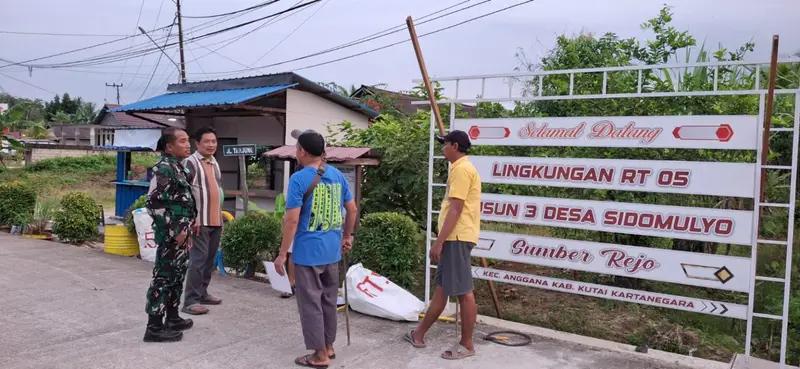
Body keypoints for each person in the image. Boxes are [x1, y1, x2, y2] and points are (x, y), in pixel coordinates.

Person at [274, 129, 358, 368]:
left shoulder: (299, 179)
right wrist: (347, 236)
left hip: (308, 252)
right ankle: (329, 346)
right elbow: (351, 210)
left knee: (310, 303)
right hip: (332, 250)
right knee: (328, 301)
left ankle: (319, 355)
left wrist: (282, 254)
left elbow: (291, 220)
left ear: (301, 151)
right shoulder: (337, 175)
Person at [404, 130, 481, 360]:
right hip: (455, 238)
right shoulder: (460, 168)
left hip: (456, 238)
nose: (442, 148)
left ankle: (467, 344)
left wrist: (438, 243)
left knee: (464, 292)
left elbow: (456, 209)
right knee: (443, 289)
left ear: (455, 146)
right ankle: (418, 334)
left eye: (445, 144)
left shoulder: (462, 170)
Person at [143, 127, 197, 343]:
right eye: (182, 141)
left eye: (188, 141)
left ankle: (172, 317)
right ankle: (154, 327)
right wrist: (176, 232)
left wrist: (188, 229)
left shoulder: (178, 168)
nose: (188, 145)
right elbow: (154, 204)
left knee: (177, 276)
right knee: (163, 279)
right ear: (169, 146)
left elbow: (181, 203)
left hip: (182, 235)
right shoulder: (163, 169)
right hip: (171, 237)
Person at [182, 127, 224, 315]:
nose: (211, 145)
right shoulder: (189, 163)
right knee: (198, 261)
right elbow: (184, 193)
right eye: (206, 141)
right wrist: (192, 217)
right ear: (197, 144)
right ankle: (190, 301)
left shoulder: (214, 162)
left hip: (215, 218)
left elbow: (216, 188)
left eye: (214, 141)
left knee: (209, 260)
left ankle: (203, 292)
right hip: (199, 221)